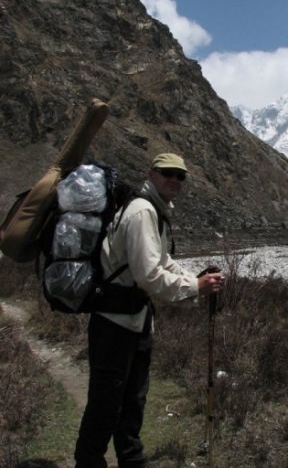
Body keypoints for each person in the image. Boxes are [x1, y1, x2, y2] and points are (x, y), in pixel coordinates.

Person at [74, 153, 224, 468]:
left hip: (135, 320)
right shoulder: (143, 212)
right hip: (116, 322)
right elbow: (149, 275)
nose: (174, 180)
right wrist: (195, 288)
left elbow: (161, 262)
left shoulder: (153, 210)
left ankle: (131, 459)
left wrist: (193, 280)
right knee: (107, 402)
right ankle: (89, 462)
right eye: (167, 173)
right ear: (151, 174)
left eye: (180, 176)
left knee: (132, 400)